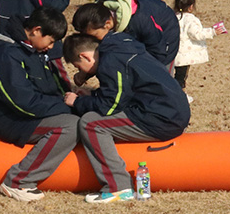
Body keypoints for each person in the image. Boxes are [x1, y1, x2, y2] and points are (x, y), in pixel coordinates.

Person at [63, 31, 190, 203]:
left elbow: (109, 106)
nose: (80, 72)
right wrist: (92, 96)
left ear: (84, 56)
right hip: (170, 111)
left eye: (78, 67)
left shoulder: (109, 62)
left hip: (160, 118)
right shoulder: (122, 48)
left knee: (90, 124)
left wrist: (77, 102)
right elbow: (122, 94)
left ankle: (118, 187)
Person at [0, 7, 79, 202]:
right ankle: (18, 181)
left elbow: (48, 88)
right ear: (35, 30)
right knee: (71, 126)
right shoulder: (7, 55)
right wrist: (65, 106)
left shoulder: (32, 49)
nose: (51, 47)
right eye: (50, 41)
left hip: (35, 112)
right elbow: (22, 102)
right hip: (13, 118)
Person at [71, 0, 180, 70]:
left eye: (94, 37)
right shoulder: (98, 14)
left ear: (107, 24)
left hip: (164, 40)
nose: (93, 41)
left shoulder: (139, 20)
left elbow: (158, 52)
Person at [172, 0, 225, 102]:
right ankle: (179, 96)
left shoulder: (173, 17)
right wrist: (213, 32)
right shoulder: (190, 19)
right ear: (191, 7)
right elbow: (197, 34)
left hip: (173, 53)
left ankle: (177, 94)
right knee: (181, 77)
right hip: (185, 56)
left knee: (175, 74)